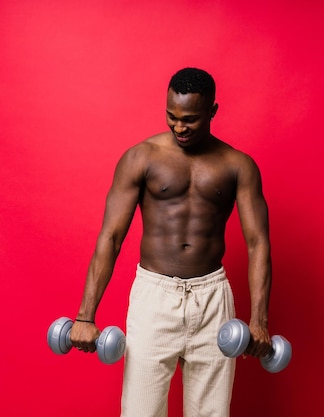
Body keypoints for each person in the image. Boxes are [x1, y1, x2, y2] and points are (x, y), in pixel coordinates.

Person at [70, 67, 273, 417]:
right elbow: (112, 236)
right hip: (154, 296)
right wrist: (85, 315)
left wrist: (259, 321)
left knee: (211, 413)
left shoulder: (238, 165)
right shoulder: (141, 157)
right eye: (172, 116)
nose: (180, 127)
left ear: (212, 111)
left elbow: (258, 244)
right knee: (140, 411)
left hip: (212, 298)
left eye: (191, 119)